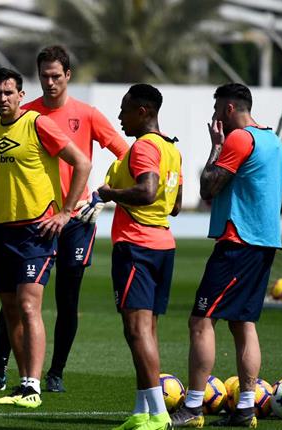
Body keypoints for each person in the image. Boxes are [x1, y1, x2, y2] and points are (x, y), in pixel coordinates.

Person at [0, 45, 128, 393]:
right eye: (44, 76)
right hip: (32, 218)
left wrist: (103, 194)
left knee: (66, 297)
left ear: (68, 76)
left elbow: (125, 155)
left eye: (56, 76)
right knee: (18, 300)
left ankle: (54, 373)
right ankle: (0, 369)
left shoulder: (86, 114)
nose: (50, 82)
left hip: (74, 217)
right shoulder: (24, 115)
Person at [171, 83, 282, 428]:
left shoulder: (237, 139)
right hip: (264, 243)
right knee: (242, 322)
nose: (214, 115)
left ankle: (192, 407)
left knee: (201, 320)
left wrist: (215, 148)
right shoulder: (274, 140)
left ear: (230, 109)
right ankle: (246, 408)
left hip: (238, 242)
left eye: (217, 108)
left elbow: (208, 188)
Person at [0, 68, 90, 409]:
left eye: (9, 92)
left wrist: (66, 212)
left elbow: (82, 163)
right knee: (11, 309)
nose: (3, 99)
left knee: (29, 306)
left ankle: (33, 386)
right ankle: (23, 381)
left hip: (36, 230)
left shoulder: (38, 124)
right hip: (1, 230)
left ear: (20, 94)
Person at [98, 84, 182, 430]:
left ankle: (158, 415)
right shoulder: (172, 149)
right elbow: (174, 206)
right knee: (146, 330)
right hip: (162, 243)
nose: (120, 117)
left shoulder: (143, 147)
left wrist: (110, 194)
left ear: (143, 112)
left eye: (124, 110)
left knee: (136, 330)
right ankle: (142, 410)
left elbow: (147, 191)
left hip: (137, 245)